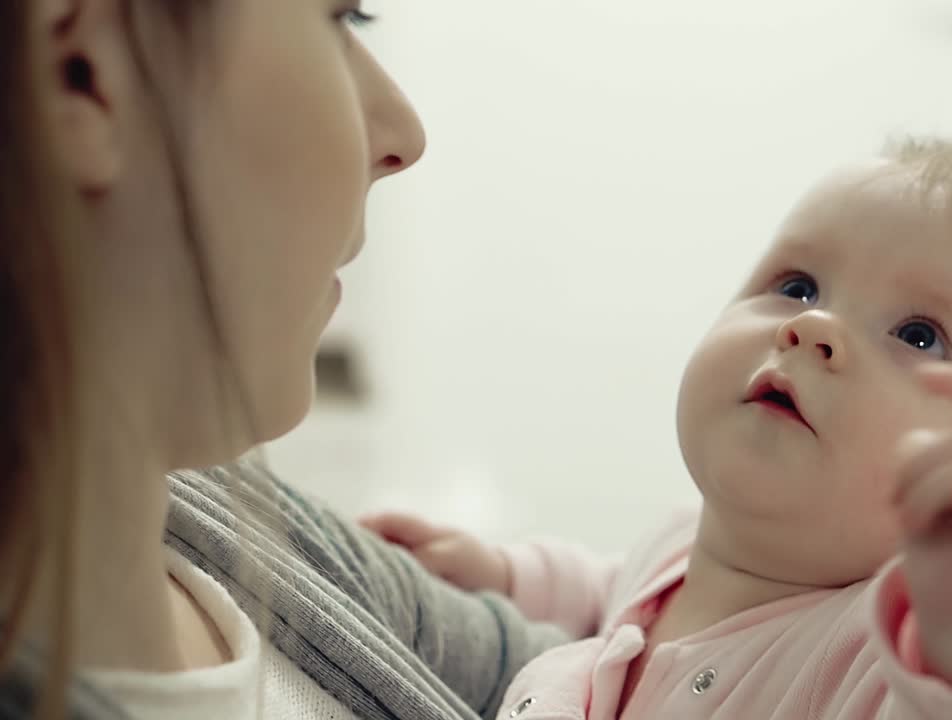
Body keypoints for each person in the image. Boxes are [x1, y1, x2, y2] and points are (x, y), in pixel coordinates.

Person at [365, 140, 952, 718]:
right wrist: (497, 573)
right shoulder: (674, 552)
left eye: (918, 337)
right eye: (797, 284)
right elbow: (600, 589)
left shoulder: (884, 660)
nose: (815, 328)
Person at [0, 2, 565, 719]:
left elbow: (626, 678)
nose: (405, 135)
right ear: (80, 73)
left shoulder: (277, 548)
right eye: (342, 18)